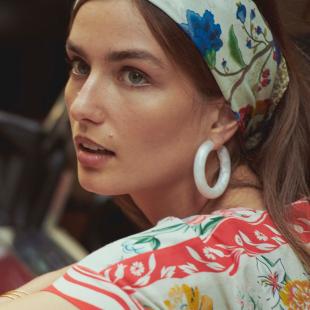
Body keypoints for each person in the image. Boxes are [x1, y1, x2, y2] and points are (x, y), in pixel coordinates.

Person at [0, 0, 309, 308]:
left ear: (224, 117)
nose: (81, 107)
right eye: (80, 66)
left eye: (134, 75)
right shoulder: (297, 231)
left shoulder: (153, 278)